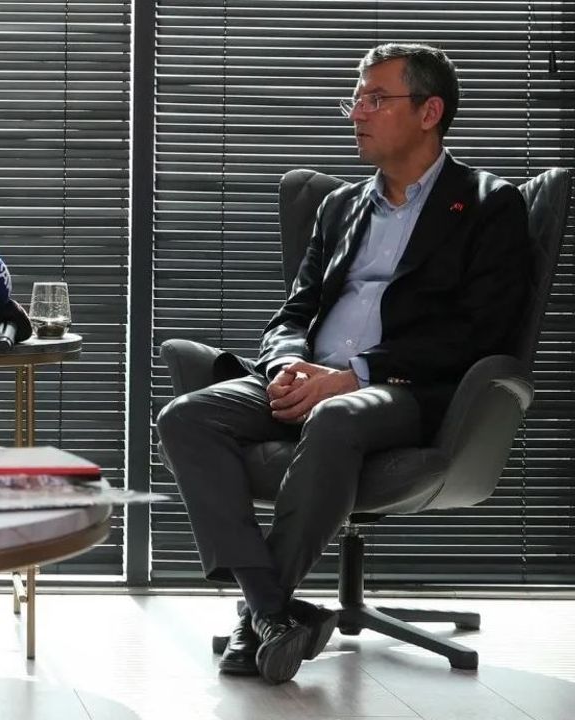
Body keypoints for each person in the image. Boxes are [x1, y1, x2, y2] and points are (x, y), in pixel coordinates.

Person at [156, 43, 530, 685]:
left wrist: (354, 375)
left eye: (376, 99)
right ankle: (272, 611)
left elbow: (477, 332)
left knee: (336, 418)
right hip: (309, 377)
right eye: (355, 99)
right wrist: (286, 364)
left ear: (429, 112)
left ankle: (260, 616)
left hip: (397, 390)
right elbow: (294, 311)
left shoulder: (488, 205)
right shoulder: (339, 207)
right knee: (184, 418)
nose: (357, 113)